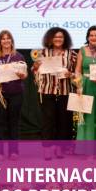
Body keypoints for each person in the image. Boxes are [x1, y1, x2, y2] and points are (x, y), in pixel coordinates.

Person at [32, 27, 78, 158]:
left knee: (64, 122)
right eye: (55, 37)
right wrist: (35, 67)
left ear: (65, 39)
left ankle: (59, 148)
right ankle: (47, 149)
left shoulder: (71, 54)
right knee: (48, 121)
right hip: (47, 91)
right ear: (50, 38)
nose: (58, 39)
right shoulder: (42, 53)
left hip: (65, 92)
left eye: (61, 37)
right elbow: (34, 71)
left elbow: (77, 74)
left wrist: (70, 74)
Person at [0, 29, 27, 158]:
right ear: (0, 42)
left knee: (14, 122)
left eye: (8, 38)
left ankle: (13, 151)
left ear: (11, 41)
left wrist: (22, 75)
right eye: (3, 38)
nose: (6, 41)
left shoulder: (19, 56)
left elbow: (25, 74)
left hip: (16, 93)